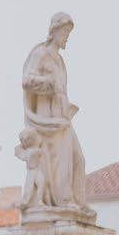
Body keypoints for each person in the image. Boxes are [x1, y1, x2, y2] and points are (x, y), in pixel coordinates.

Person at [20, 12, 87, 209]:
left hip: (62, 114)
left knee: (78, 159)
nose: (66, 37)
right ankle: (64, 200)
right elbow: (27, 80)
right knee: (61, 158)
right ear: (54, 31)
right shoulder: (40, 54)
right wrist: (48, 83)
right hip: (47, 115)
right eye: (65, 32)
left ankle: (78, 201)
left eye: (68, 33)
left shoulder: (59, 59)